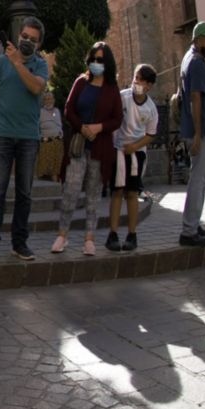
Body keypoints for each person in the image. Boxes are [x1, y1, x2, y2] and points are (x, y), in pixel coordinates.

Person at [0, 17, 49, 262]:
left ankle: (19, 244)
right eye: (24, 36)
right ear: (19, 36)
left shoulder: (40, 65)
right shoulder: (1, 62)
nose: (27, 41)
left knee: (24, 193)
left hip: (29, 137)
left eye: (33, 39)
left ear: (39, 44)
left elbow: (36, 88)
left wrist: (18, 63)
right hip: (4, 135)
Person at [53, 42, 123, 257]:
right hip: (78, 146)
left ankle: (89, 239)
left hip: (100, 149)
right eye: (92, 59)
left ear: (107, 62)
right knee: (70, 191)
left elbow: (117, 118)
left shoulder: (112, 88)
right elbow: (68, 109)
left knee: (93, 195)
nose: (95, 63)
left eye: (100, 59)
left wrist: (99, 127)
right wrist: (82, 127)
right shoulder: (81, 82)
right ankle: (62, 235)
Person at [107, 65, 159, 251]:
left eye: (141, 79)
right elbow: (112, 118)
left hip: (136, 153)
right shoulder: (123, 97)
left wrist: (135, 147)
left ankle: (132, 234)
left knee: (132, 193)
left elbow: (150, 134)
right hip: (118, 150)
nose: (136, 82)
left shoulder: (151, 109)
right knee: (117, 191)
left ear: (149, 85)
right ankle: (113, 234)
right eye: (136, 77)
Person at [178, 21, 205, 247]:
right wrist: (197, 134)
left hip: (196, 129)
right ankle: (189, 230)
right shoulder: (196, 63)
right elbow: (195, 98)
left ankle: (194, 222)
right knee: (198, 180)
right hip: (199, 131)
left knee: (199, 179)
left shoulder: (189, 58)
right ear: (198, 40)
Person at [37, 90, 64, 180]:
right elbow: (36, 127)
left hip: (57, 140)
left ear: (54, 100)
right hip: (46, 141)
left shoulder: (57, 111)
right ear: (43, 101)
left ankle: (55, 180)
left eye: (50, 98)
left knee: (57, 163)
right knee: (43, 165)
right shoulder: (40, 111)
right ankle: (41, 180)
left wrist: (61, 134)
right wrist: (41, 138)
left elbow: (59, 124)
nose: (49, 101)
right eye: (46, 99)